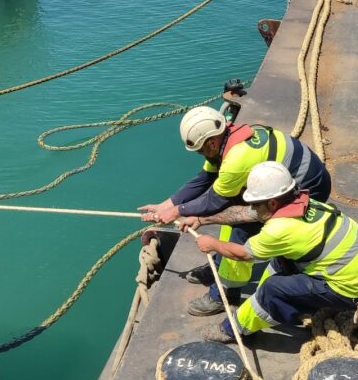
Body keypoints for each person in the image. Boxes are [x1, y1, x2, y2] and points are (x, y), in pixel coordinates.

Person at [138, 107, 331, 315]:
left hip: (307, 189)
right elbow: (204, 179)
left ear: (211, 142)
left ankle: (225, 294)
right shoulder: (227, 140)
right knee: (230, 217)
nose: (201, 155)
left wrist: (177, 212)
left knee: (242, 228)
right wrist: (166, 205)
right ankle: (221, 267)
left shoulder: (236, 160)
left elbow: (214, 201)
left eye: (201, 150)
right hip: (287, 182)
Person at [181, 161, 358, 345]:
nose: (252, 207)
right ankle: (264, 302)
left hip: (352, 289)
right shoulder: (307, 204)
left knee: (273, 289)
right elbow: (247, 215)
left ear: (272, 203)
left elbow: (242, 254)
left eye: (255, 203)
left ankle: (234, 330)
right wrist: (202, 219)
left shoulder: (279, 230)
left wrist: (213, 244)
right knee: (282, 261)